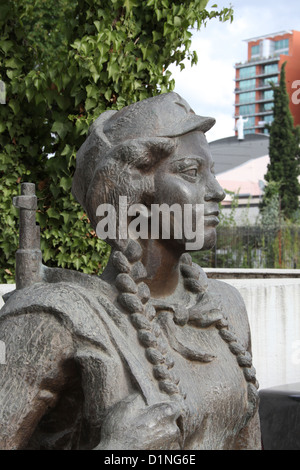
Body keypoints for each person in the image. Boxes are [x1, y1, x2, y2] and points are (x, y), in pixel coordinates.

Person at [0, 93, 261, 450]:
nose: (217, 191)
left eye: (211, 172)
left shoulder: (226, 308)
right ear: (135, 189)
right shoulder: (54, 319)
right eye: (191, 173)